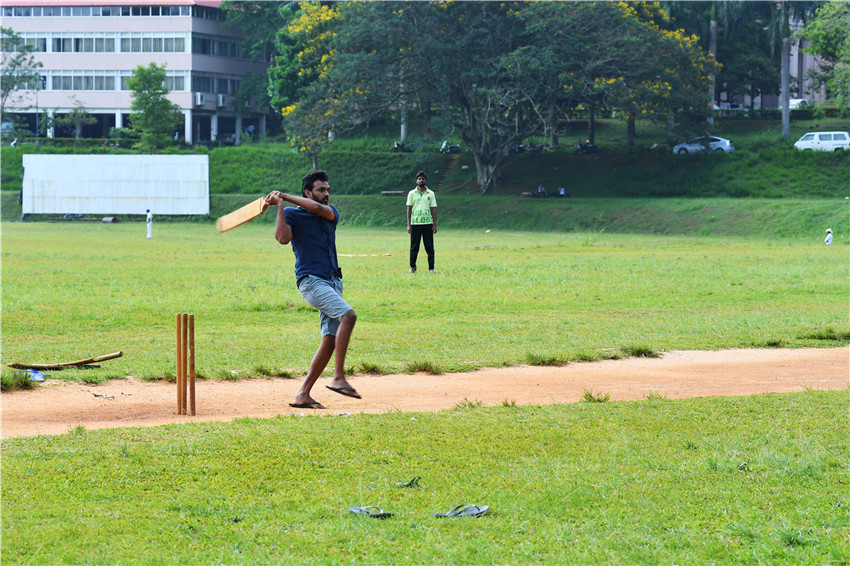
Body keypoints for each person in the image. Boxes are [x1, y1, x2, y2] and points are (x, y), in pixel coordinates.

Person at [266, 170, 359, 410]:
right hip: (311, 282)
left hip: (333, 282)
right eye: (321, 190)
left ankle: (302, 394)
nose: (326, 194)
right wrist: (280, 207)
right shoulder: (292, 215)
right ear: (308, 192)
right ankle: (338, 378)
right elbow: (282, 238)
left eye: (327, 189)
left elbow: (319, 210)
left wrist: (283, 195)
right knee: (349, 316)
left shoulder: (330, 213)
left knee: (329, 339)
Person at [406, 171, 437, 273]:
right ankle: (413, 267)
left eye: (423, 178)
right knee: (414, 247)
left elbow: (433, 209)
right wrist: (409, 225)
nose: (421, 180)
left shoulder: (431, 194)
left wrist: (434, 225)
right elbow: (409, 210)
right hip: (415, 224)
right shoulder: (412, 193)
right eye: (419, 178)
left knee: (429, 247)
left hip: (428, 224)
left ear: (426, 180)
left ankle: (431, 268)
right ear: (416, 181)